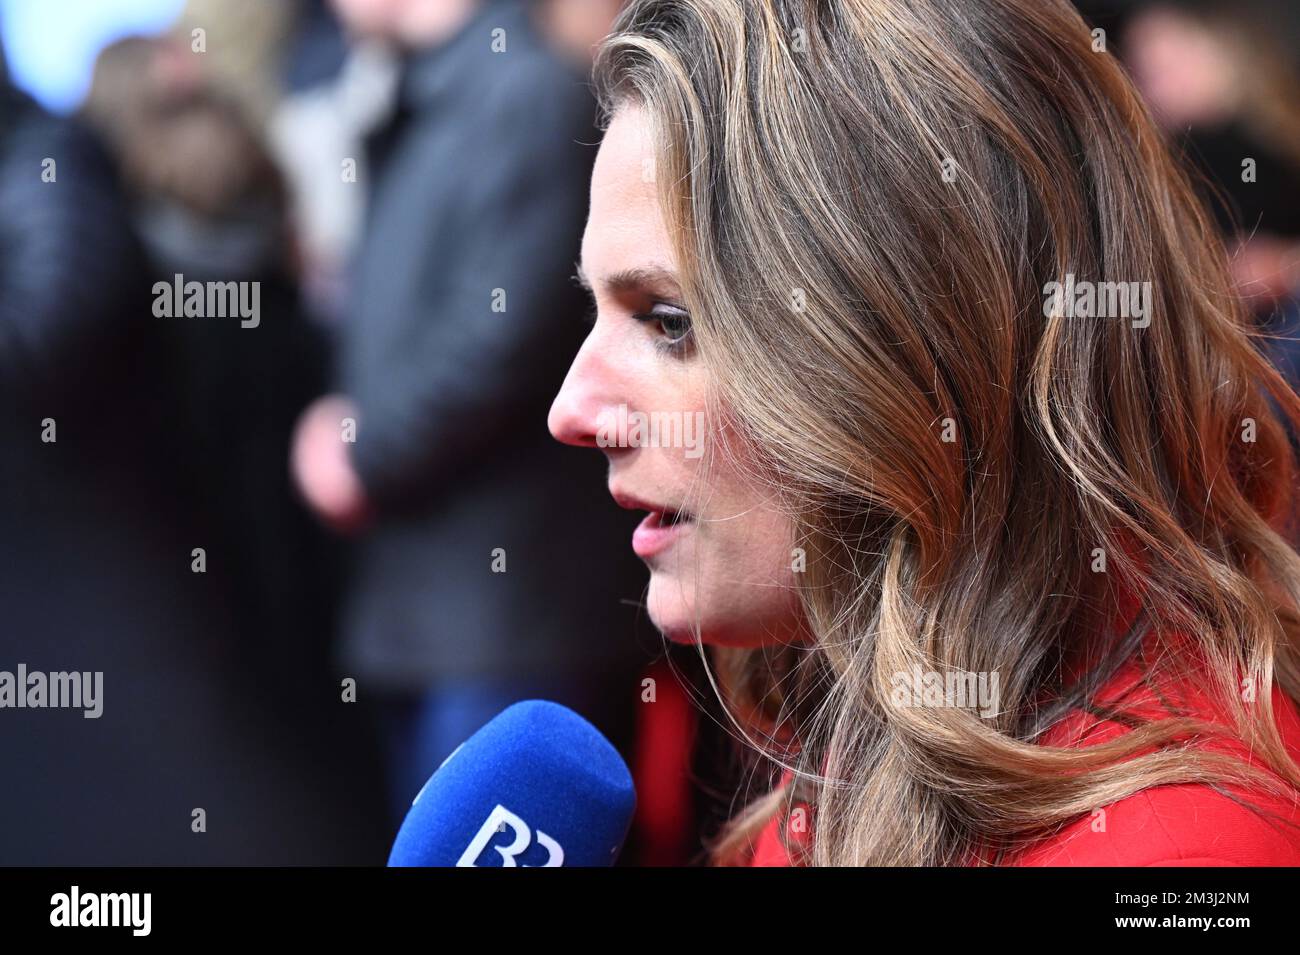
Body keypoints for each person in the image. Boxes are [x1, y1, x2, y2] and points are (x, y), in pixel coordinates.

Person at [548, 0, 1300, 865]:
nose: (572, 411)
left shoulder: (1179, 854)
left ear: (923, 344)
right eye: (595, 310)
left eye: (670, 321)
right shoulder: (903, 742)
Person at [293, 0, 646, 823]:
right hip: (427, 608)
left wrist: (361, 453)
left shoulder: (524, 94)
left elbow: (499, 337)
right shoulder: (436, 94)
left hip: (507, 620)